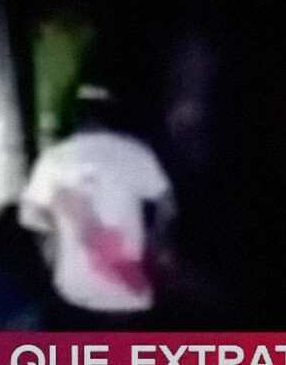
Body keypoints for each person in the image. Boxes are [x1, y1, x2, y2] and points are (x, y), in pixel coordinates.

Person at [19, 85, 175, 331]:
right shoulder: (136, 153)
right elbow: (168, 205)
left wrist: (59, 229)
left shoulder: (53, 159)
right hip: (127, 291)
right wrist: (156, 242)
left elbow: (30, 217)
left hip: (74, 292)